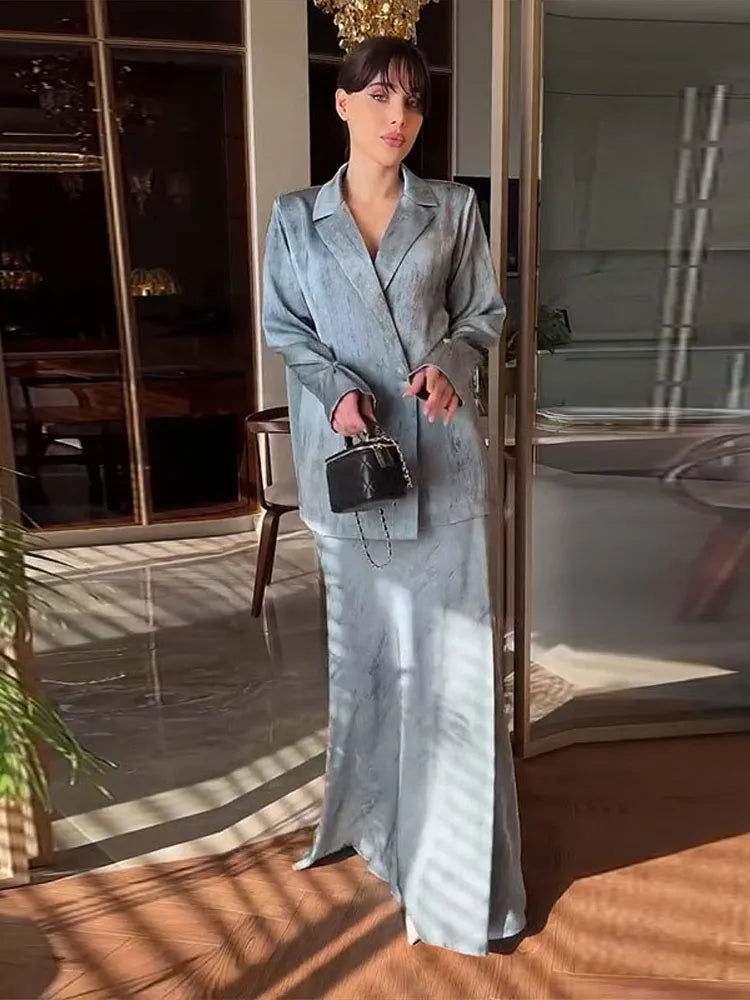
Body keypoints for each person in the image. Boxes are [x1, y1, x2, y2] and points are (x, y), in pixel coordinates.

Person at [262, 35, 526, 956]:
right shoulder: (295, 219)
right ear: (341, 104)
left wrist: (450, 361)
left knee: (452, 673)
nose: (398, 116)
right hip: (352, 472)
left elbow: (484, 312)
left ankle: (456, 882)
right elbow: (286, 325)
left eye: (412, 100)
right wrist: (334, 385)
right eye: (379, 96)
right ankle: (377, 826)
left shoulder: (453, 209)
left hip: (441, 464)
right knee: (369, 665)